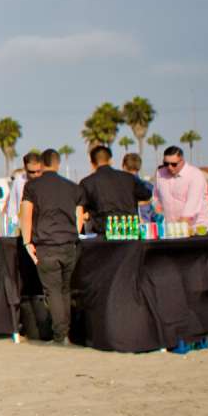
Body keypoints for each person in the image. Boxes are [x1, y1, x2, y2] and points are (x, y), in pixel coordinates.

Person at [20, 149, 84, 344]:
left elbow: (26, 214)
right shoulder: (73, 188)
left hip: (46, 245)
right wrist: (73, 235)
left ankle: (60, 335)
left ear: (42, 164)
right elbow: (79, 217)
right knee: (65, 290)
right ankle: (66, 332)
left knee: (53, 291)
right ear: (57, 164)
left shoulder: (32, 187)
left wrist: (27, 241)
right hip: (69, 244)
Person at [78, 144, 144, 228]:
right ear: (110, 160)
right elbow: (146, 195)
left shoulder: (86, 183)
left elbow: (81, 209)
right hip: (131, 231)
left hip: (103, 234)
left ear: (92, 163)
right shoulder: (129, 178)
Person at [149, 145, 208, 230]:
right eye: (166, 163)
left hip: (197, 228)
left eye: (174, 164)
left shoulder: (195, 175)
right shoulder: (160, 173)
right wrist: (157, 212)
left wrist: (178, 229)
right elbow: (156, 197)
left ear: (182, 161)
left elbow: (191, 206)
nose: (169, 167)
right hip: (172, 228)